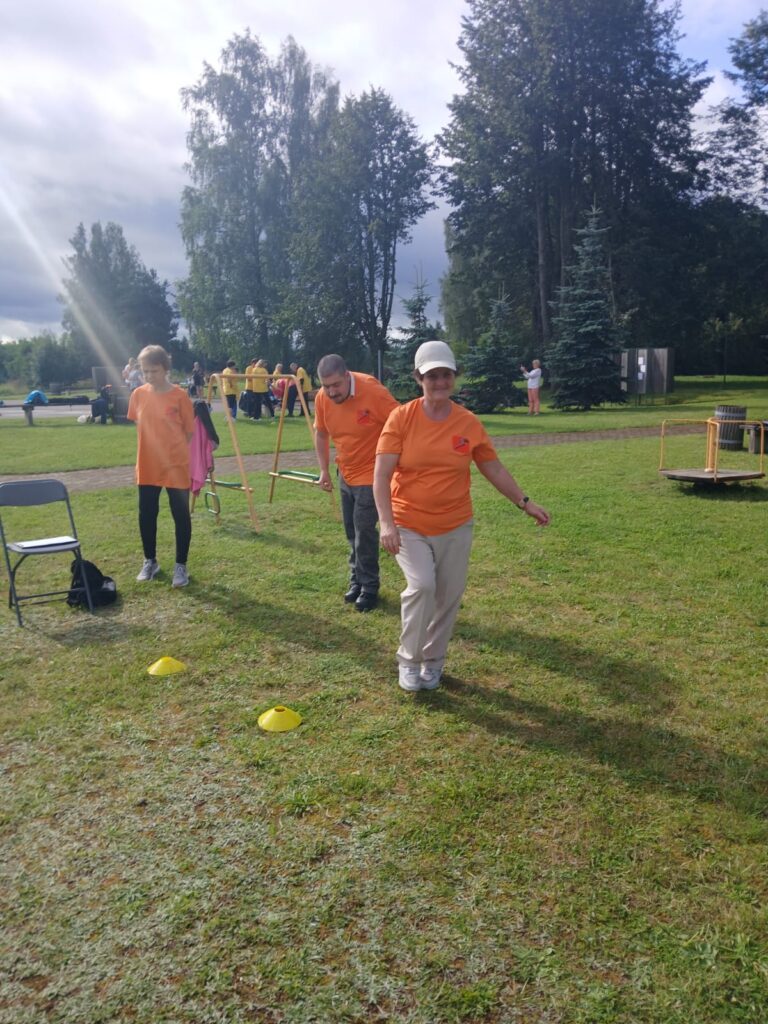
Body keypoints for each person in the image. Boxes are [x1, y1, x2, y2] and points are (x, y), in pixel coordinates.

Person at [374, 340, 550, 692]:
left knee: (448, 596)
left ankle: (433, 660)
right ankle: (408, 660)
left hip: (455, 524)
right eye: (432, 376)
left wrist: (524, 501)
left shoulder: (467, 422)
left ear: (454, 377)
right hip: (408, 523)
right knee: (422, 586)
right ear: (418, 378)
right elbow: (381, 475)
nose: (440, 382)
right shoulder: (402, 418)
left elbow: (492, 467)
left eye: (446, 375)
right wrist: (387, 523)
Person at [314, 354, 399, 613]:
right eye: (326, 386)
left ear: (347, 375)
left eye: (336, 385)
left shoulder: (372, 391)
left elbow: (401, 423)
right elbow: (321, 433)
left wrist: (394, 464)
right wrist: (324, 470)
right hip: (345, 471)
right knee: (351, 531)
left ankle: (369, 587)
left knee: (364, 531)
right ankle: (356, 580)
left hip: (372, 475)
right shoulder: (323, 398)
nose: (331, 392)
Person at [127, 345, 195, 588]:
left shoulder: (180, 396)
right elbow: (140, 425)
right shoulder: (138, 395)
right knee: (147, 514)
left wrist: (171, 451)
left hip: (175, 465)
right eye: (145, 371)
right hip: (147, 464)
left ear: (165, 369)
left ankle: (181, 566)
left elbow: (189, 432)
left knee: (180, 515)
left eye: (154, 371)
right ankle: (150, 561)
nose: (149, 376)